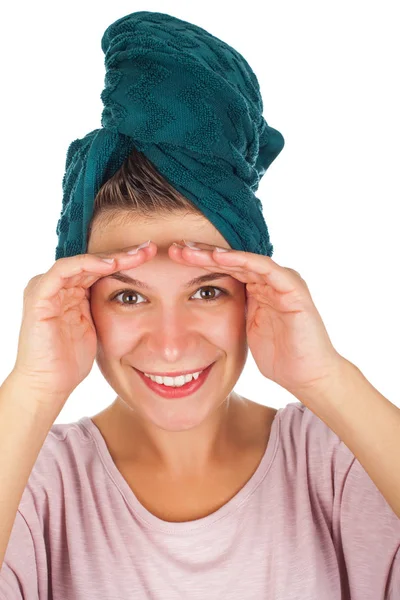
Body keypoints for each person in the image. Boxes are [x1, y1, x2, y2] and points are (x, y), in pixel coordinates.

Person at [1, 10, 399, 600]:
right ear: (79, 304)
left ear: (255, 292)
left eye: (207, 290)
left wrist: (329, 378)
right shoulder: (31, 485)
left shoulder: (341, 464)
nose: (170, 342)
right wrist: (31, 389)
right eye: (129, 295)